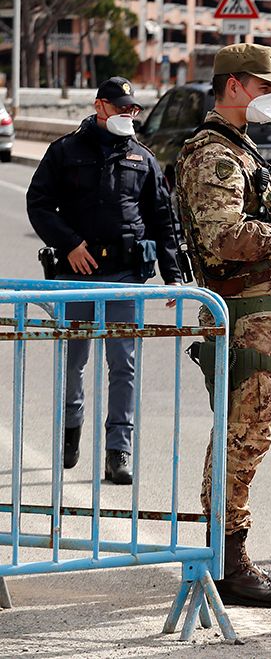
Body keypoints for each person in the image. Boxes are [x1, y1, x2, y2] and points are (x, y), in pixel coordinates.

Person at [174, 43, 271, 607]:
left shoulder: (238, 149)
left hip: (254, 309)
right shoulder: (215, 154)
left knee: (244, 434)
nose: (270, 98)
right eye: (264, 87)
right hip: (239, 314)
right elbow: (223, 237)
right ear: (234, 86)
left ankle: (225, 553)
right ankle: (229, 561)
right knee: (245, 435)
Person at [26, 76, 182, 485]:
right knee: (73, 361)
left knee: (123, 367)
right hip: (75, 276)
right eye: (121, 108)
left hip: (126, 278)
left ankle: (118, 452)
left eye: (133, 110)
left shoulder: (142, 159)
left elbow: (164, 219)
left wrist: (174, 276)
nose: (128, 116)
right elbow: (38, 203)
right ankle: (71, 429)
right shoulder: (64, 152)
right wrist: (70, 243)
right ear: (100, 107)